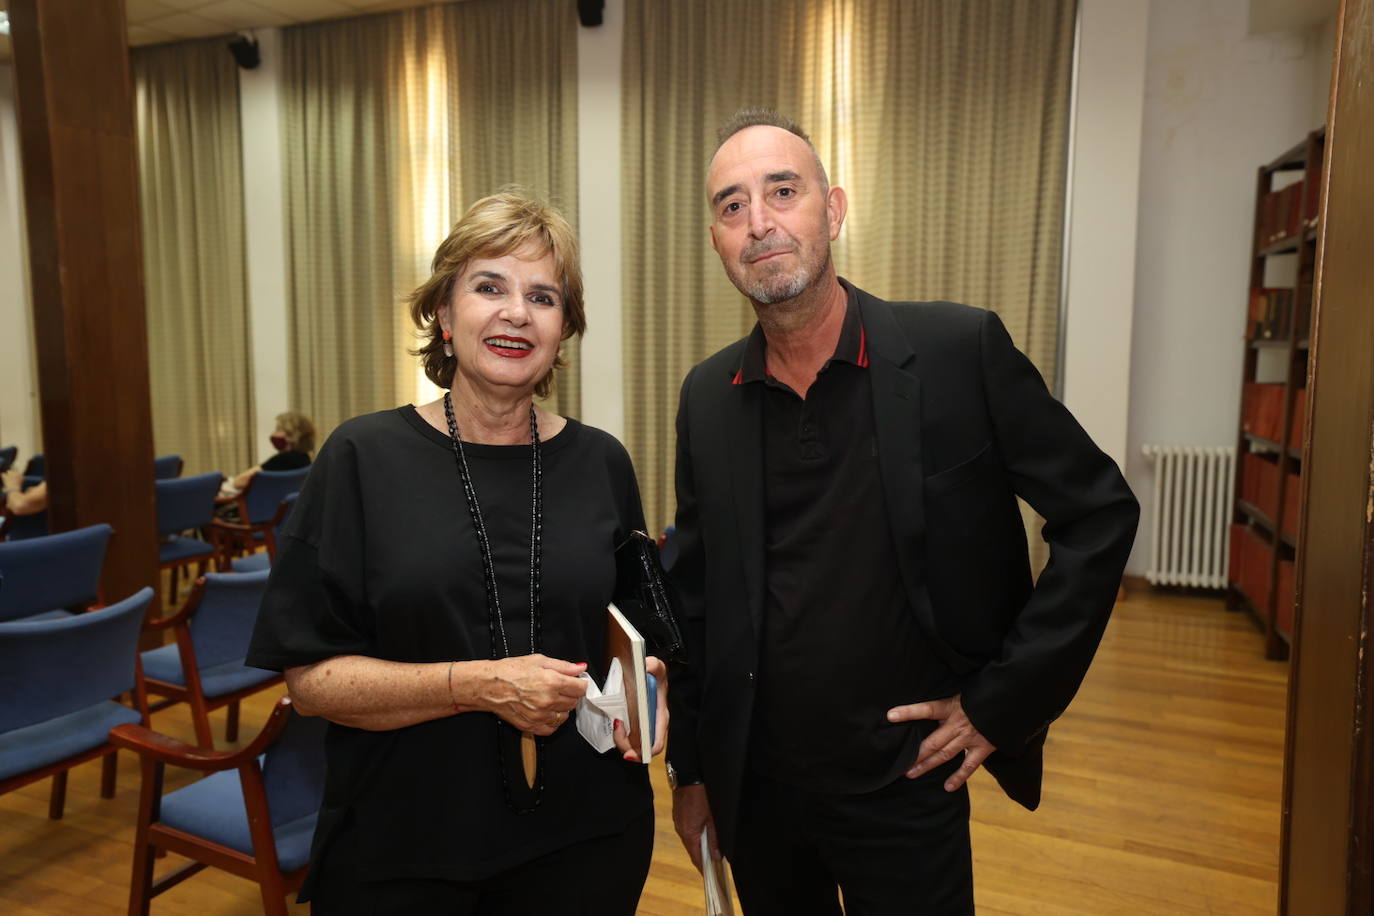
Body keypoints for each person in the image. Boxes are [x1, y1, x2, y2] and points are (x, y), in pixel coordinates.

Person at [666, 110, 1140, 914]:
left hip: (908, 780)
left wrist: (1001, 701)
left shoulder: (959, 352)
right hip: (761, 790)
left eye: (783, 190)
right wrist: (692, 770)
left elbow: (1098, 514)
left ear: (836, 209)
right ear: (715, 239)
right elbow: (697, 598)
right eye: (732, 205)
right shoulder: (708, 397)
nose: (760, 222)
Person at [246, 190, 668, 913]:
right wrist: (478, 684)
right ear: (443, 314)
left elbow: (636, 637)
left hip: (589, 842)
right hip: (404, 848)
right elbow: (311, 681)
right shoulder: (360, 458)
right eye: (489, 286)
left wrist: (645, 685)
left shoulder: (602, 462)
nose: (515, 312)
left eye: (543, 295)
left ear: (563, 329)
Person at [220, 411, 316, 499]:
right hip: (280, 510)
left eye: (278, 430)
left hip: (256, 510)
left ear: (292, 436)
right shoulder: (305, 458)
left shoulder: (282, 460)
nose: (273, 434)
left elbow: (238, 482)